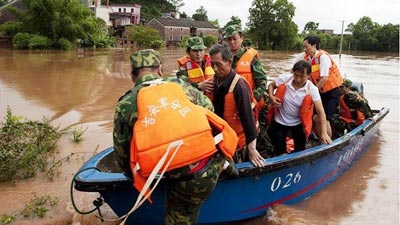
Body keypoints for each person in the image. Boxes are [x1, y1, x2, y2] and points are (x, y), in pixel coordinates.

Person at [113, 49, 237, 225]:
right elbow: (210, 112)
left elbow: (122, 153)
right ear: (160, 70)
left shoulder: (126, 104)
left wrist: (137, 179)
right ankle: (226, 164)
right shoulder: (182, 86)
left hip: (189, 180)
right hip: (211, 160)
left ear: (133, 76)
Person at [208, 43, 265, 167]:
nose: (215, 68)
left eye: (218, 64)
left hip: (236, 141)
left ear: (229, 62)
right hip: (220, 136)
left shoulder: (239, 86)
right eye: (212, 64)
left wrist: (252, 149)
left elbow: (248, 119)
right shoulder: (215, 81)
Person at [223, 24, 272, 155]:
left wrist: (251, 102)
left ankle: (269, 157)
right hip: (234, 106)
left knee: (259, 134)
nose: (232, 42)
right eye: (229, 39)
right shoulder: (225, 57)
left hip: (253, 104)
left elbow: (262, 82)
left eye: (234, 38)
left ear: (241, 38)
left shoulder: (251, 58)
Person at [267, 60, 332, 156]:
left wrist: (323, 133)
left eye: (302, 76)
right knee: (279, 150)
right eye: (296, 75)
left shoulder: (312, 89)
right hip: (280, 121)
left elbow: (321, 112)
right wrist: (271, 97)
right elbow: (271, 85)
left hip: (298, 124)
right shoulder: (285, 79)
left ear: (309, 76)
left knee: (300, 151)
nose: (297, 79)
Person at [302, 35, 343, 138]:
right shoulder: (307, 58)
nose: (305, 49)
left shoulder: (323, 57)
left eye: (306, 46)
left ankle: (328, 142)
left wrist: (313, 91)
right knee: (315, 117)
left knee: (325, 119)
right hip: (320, 91)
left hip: (331, 92)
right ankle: (320, 138)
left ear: (314, 45)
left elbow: (324, 78)